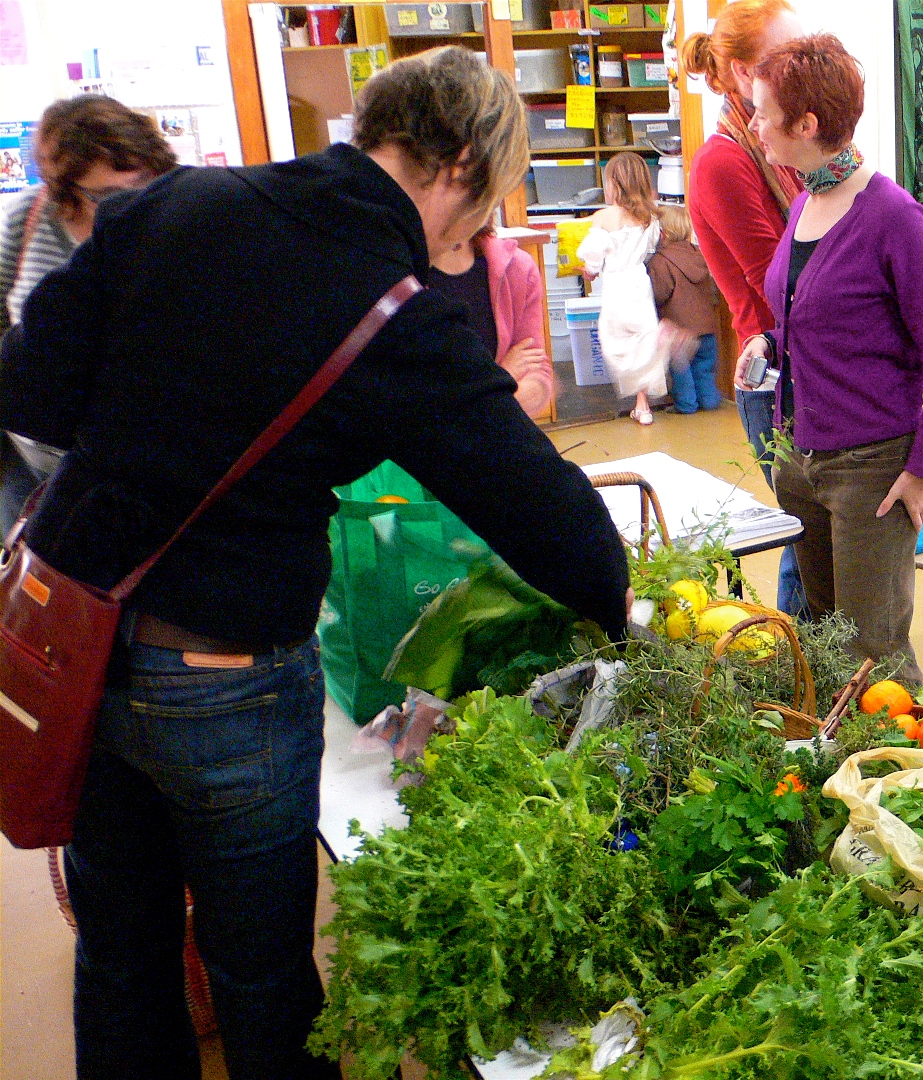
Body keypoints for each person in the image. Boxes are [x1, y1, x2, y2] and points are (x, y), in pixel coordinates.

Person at [0, 48, 630, 1080]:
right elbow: (541, 507)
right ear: (461, 163)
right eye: (477, 213)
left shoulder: (178, 202)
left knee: (120, 958)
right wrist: (617, 601)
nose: (467, 240)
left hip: (76, 643)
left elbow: (29, 393)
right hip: (225, 677)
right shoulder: (391, 310)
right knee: (262, 980)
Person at [739, 33, 923, 685]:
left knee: (874, 655)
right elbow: (818, 313)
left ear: (806, 124)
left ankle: (909, 776)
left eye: (762, 111)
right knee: (826, 632)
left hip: (872, 470)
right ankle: (843, 772)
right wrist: (770, 342)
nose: (753, 124)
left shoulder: (895, 219)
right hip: (801, 460)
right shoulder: (805, 202)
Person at [0, 95, 175, 530]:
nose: (134, 205)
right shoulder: (28, 219)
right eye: (108, 196)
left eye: (147, 184)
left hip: (147, 473)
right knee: (36, 591)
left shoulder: (177, 220)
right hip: (32, 470)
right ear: (65, 188)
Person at [684, 0, 809, 612]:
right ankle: (805, 675)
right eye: (782, 61)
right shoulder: (725, 161)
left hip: (805, 360)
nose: (800, 72)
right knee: (806, 534)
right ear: (740, 73)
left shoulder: (785, 147)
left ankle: (811, 674)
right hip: (779, 373)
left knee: (812, 534)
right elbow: (779, 282)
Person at [424, 221, 555, 418]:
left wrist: (478, 401)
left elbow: (537, 375)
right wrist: (501, 377)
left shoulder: (517, 267)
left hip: (499, 436)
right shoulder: (400, 275)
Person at [579, 151, 664, 424]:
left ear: (615, 183)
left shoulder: (604, 217)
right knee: (642, 340)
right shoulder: (651, 217)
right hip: (640, 281)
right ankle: (643, 405)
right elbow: (650, 250)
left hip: (616, 283)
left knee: (614, 342)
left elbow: (593, 255)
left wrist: (590, 271)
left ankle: (661, 344)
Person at [649, 204, 725, 414]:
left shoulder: (660, 261)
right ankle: (709, 402)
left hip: (680, 330)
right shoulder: (700, 254)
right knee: (704, 369)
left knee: (682, 371)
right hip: (707, 327)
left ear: (662, 232)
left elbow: (660, 293)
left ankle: (686, 405)